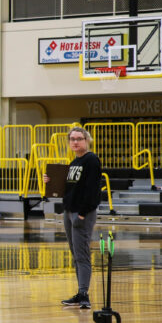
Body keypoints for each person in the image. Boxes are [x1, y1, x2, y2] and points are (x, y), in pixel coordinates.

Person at [45, 126, 101, 309]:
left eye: (79, 138)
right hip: (69, 212)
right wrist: (50, 182)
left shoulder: (91, 160)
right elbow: (67, 188)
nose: (75, 142)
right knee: (76, 254)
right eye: (72, 139)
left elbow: (92, 191)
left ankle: (84, 294)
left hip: (81, 212)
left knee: (82, 254)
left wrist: (83, 213)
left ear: (87, 140)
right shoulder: (74, 162)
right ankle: (80, 292)